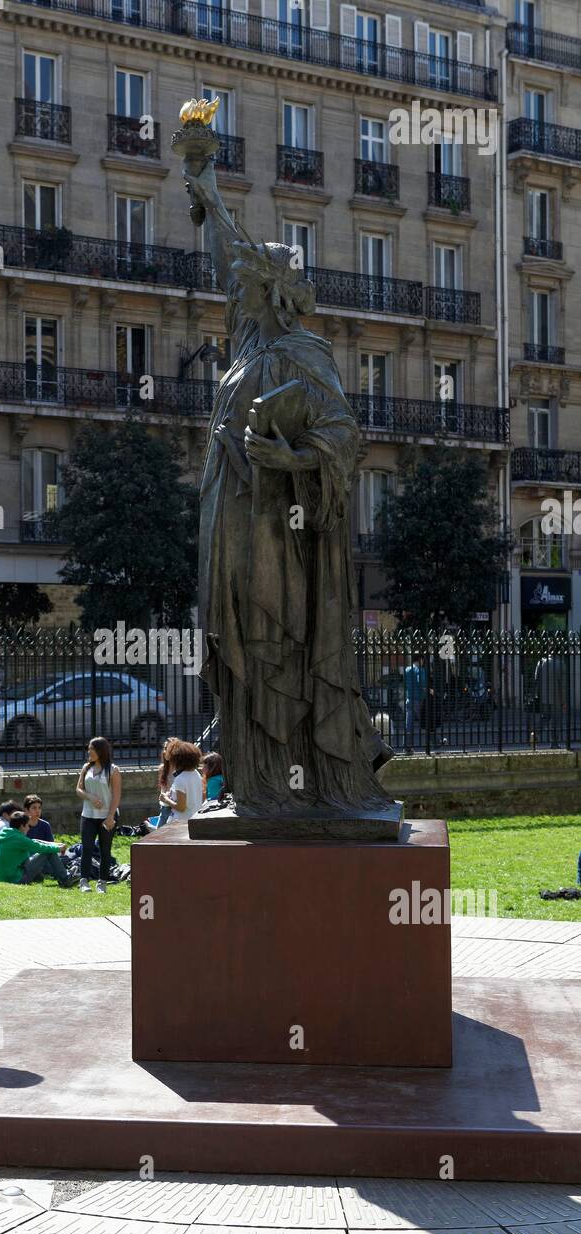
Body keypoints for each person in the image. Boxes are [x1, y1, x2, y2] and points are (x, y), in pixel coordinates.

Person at [182, 155, 393, 817]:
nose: (233, 288)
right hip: (230, 518)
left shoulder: (304, 351)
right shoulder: (247, 340)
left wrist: (289, 457)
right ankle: (253, 786)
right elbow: (227, 251)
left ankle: (286, 787)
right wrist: (204, 182)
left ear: (272, 290)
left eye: (246, 282)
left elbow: (343, 434)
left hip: (280, 528)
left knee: (274, 646)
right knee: (238, 643)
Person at [76, 736, 121, 894]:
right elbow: (79, 789)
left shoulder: (113, 770)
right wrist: (90, 797)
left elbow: (116, 795)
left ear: (101, 751)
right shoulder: (86, 768)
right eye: (88, 748)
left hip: (106, 816)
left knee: (105, 850)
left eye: (92, 749)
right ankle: (84, 881)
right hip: (88, 815)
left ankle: (102, 882)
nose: (89, 752)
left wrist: (110, 816)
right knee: (86, 848)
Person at [0, 810, 73, 887]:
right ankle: (65, 878)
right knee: (48, 851)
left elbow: (33, 842)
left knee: (45, 847)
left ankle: (60, 875)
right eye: (28, 825)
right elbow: (40, 847)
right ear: (21, 826)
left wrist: (55, 845)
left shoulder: (7, 833)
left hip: (7, 877)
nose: (29, 828)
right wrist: (58, 849)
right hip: (16, 880)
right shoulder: (19, 839)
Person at [159, 740, 205, 824]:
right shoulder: (196, 773)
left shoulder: (180, 779)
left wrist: (165, 799)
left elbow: (181, 807)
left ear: (177, 760)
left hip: (181, 822)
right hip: (194, 818)